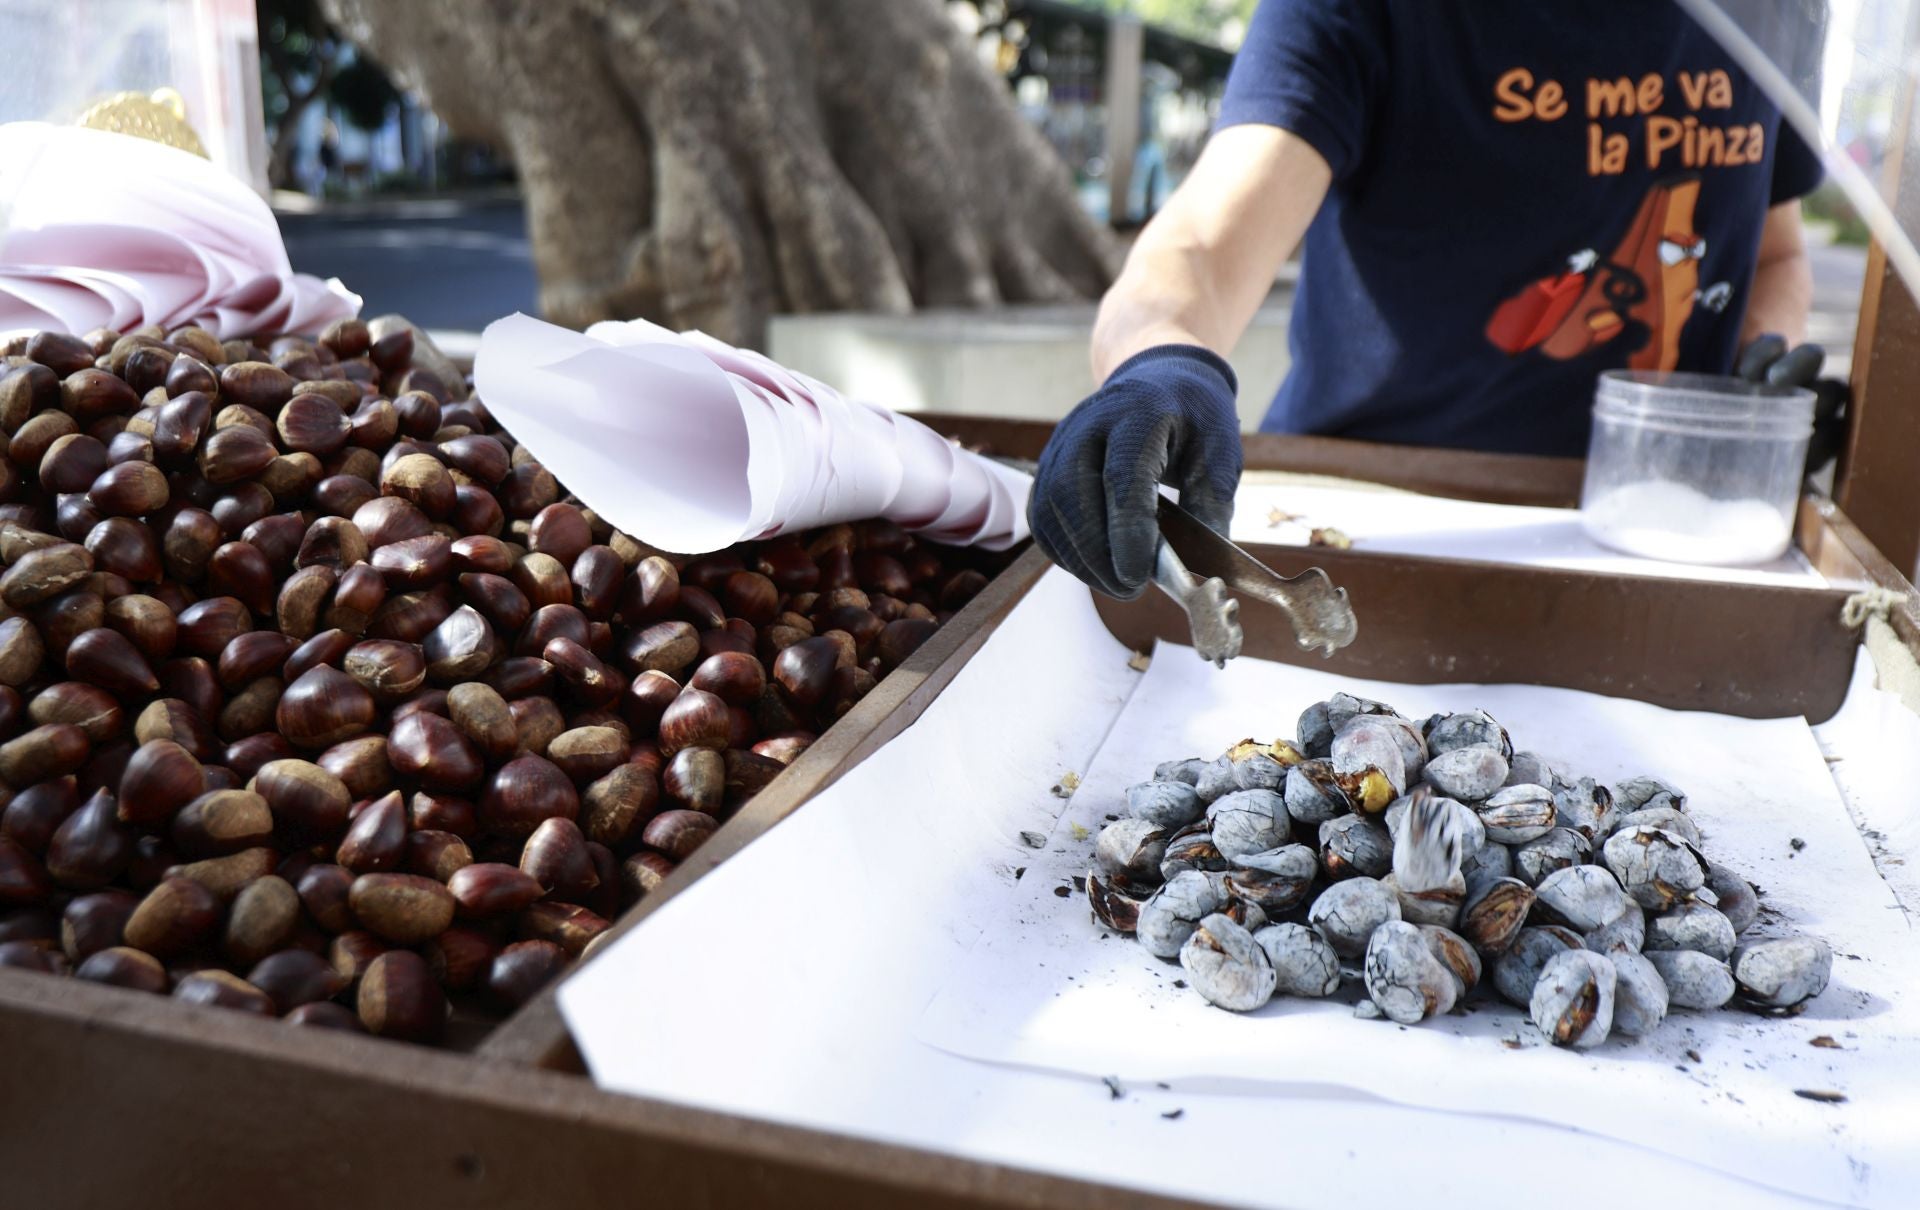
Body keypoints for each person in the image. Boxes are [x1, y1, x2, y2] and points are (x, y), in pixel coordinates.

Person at [1029, 0, 1838, 600]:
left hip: (1663, 531)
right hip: (1362, 523)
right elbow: (1202, 248)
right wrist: (1159, 365)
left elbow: (1777, 252)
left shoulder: (1776, 11)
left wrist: (1757, 376)